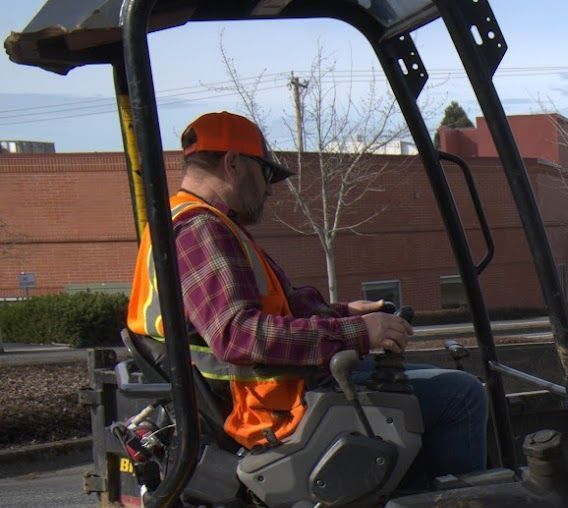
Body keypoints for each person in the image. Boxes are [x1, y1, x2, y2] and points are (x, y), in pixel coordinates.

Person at [126, 111, 486, 487]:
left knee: (432, 388)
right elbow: (239, 334)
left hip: (278, 389)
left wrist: (344, 314)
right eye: (265, 175)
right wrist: (356, 335)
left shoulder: (193, 223)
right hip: (270, 410)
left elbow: (276, 305)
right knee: (461, 396)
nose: (269, 190)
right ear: (233, 163)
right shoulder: (202, 230)